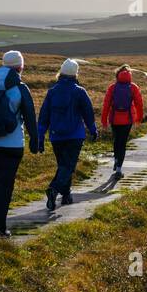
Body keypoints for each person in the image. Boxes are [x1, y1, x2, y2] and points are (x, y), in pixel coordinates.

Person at [0, 49, 41, 237]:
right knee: (5, 184)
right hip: (11, 144)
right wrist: (35, 142)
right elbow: (29, 117)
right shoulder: (20, 88)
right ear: (20, 67)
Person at [36, 58, 97, 210]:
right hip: (74, 135)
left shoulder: (52, 92)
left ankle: (66, 195)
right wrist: (93, 129)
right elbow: (88, 113)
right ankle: (54, 189)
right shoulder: (79, 91)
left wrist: (40, 136)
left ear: (61, 73)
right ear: (75, 74)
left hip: (56, 136)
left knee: (63, 165)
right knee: (67, 167)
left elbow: (44, 116)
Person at [100, 64, 144, 174]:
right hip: (128, 119)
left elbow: (106, 105)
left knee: (116, 140)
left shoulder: (112, 87)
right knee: (123, 143)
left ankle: (116, 160)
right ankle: (119, 168)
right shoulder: (133, 87)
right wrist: (139, 117)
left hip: (114, 119)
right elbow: (139, 104)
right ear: (130, 75)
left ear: (117, 75)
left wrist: (104, 120)